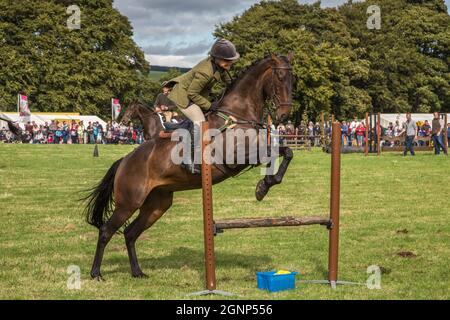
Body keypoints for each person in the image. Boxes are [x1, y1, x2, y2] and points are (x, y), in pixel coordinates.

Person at [166, 38, 239, 173]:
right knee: (200, 123)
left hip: (197, 95)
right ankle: (187, 159)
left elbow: (229, 82)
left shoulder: (219, 66)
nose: (230, 62)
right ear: (217, 58)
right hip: (184, 97)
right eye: (227, 60)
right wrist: (209, 105)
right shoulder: (205, 72)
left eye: (231, 60)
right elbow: (192, 94)